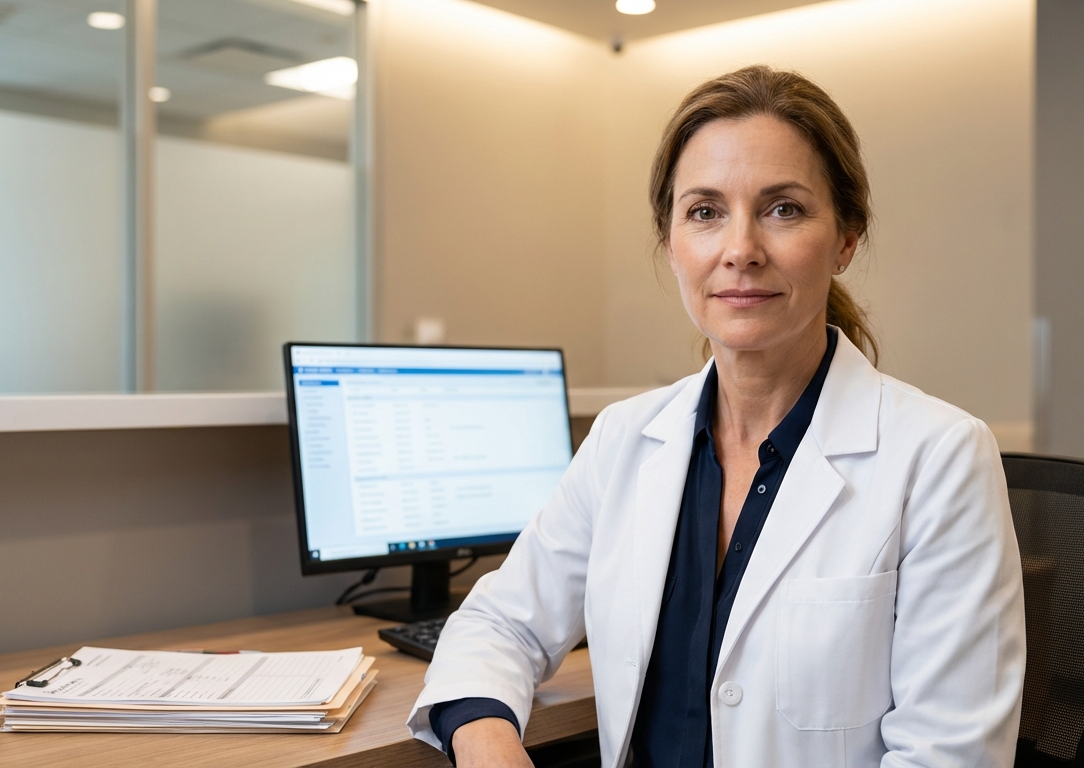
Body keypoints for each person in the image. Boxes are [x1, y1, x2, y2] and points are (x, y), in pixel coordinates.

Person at [408, 65, 1026, 768]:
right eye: (705, 211)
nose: (740, 250)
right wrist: (488, 742)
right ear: (671, 242)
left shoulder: (940, 458)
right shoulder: (623, 440)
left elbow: (951, 755)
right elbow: (498, 624)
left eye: (783, 209)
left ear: (847, 237)